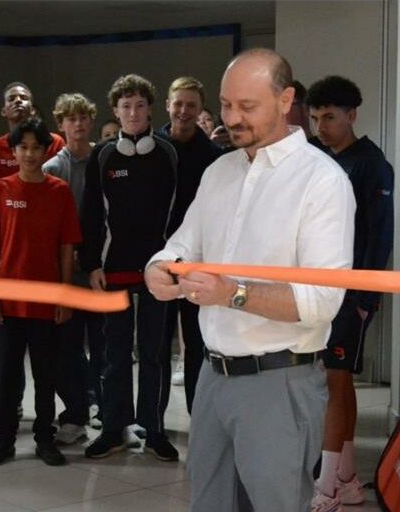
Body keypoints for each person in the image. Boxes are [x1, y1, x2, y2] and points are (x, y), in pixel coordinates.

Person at [144, 48, 356, 512]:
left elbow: (321, 301)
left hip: (279, 381)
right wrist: (160, 267)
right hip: (212, 378)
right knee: (208, 502)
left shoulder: (321, 181)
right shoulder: (220, 171)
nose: (232, 118)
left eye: (247, 106)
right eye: (225, 105)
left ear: (285, 100)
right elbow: (181, 243)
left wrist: (232, 293)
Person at [80, 74, 179, 461]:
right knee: (114, 353)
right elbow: (90, 214)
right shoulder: (103, 156)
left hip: (159, 269)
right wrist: (91, 264)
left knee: (153, 352)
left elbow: (179, 213)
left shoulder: (168, 154)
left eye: (139, 105)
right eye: (125, 106)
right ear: (115, 111)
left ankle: (153, 429)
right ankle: (113, 428)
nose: (133, 112)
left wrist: (175, 264)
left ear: (150, 109)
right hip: (113, 268)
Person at [307, 75, 394, 509]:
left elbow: (379, 238)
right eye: (317, 117)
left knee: (335, 381)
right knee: (337, 383)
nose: (322, 126)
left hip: (350, 294)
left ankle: (327, 489)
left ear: (352, 115)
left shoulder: (371, 164)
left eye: (330, 118)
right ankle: (346, 477)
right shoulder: (320, 158)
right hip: (320, 291)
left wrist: (363, 300)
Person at [0, 118, 80, 466]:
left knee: (46, 373)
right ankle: (4, 439)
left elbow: (67, 246)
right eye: (23, 147)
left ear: (46, 149)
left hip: (46, 299)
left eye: (37, 147)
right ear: (14, 151)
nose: (30, 154)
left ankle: (44, 438)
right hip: (8, 300)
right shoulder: (0, 190)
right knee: (5, 374)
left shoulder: (58, 191)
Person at [158, 77, 223, 412]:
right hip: (158, 261)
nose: (184, 111)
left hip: (197, 262)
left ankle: (199, 416)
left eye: (191, 105)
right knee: (156, 346)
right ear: (168, 105)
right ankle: (152, 424)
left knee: (197, 344)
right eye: (178, 104)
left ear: (201, 111)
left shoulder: (214, 157)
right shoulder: (150, 148)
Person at [43, 92, 103, 439]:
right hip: (66, 274)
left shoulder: (104, 159)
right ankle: (77, 412)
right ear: (61, 124)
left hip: (99, 272)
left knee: (104, 347)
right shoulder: (53, 169)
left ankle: (109, 414)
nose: (78, 124)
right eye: (71, 119)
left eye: (83, 118)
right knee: (68, 348)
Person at [0, 82, 65, 178]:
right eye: (11, 99)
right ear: (3, 111)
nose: (18, 100)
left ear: (32, 110)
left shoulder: (55, 142)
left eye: (24, 98)